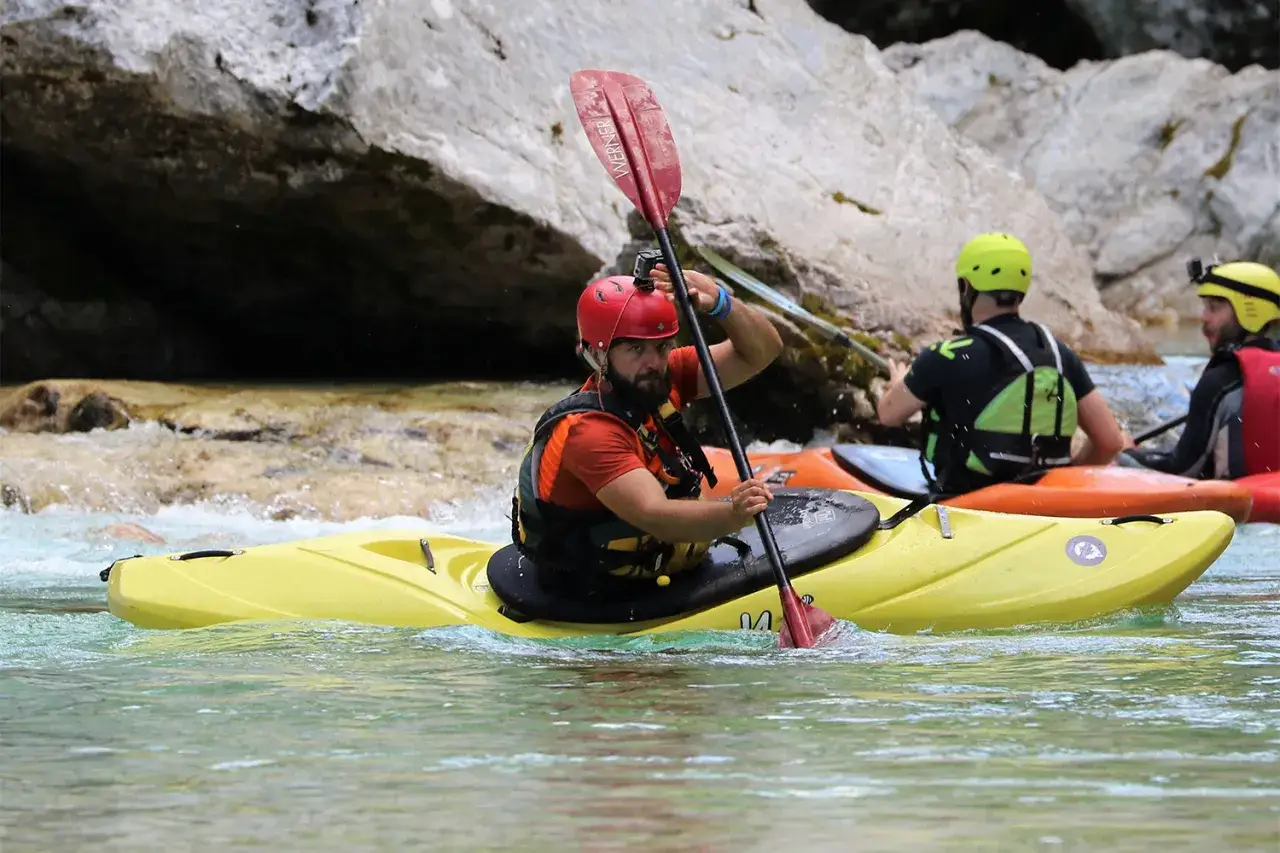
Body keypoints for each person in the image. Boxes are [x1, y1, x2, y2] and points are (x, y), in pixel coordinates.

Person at [511, 251, 784, 597]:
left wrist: (720, 302)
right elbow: (654, 514)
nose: (655, 362)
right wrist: (733, 514)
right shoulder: (589, 433)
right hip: (598, 589)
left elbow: (761, 352)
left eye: (662, 346)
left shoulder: (660, 376)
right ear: (597, 355)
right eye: (636, 350)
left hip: (658, 563)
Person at [876, 232, 1128, 495]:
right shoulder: (1058, 354)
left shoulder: (946, 355)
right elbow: (1109, 442)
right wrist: (1064, 480)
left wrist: (897, 384)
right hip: (1043, 507)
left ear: (965, 287)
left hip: (963, 503)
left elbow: (889, 415)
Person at [1123, 259, 1280, 479]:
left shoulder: (1220, 381)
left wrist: (1128, 454)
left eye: (1214, 308)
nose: (1203, 317)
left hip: (1239, 509)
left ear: (1249, 312)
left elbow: (1182, 468)